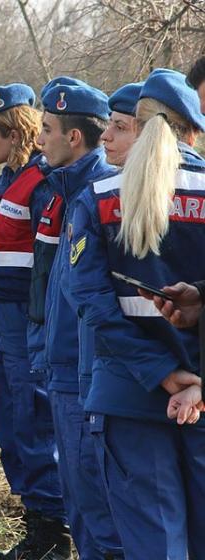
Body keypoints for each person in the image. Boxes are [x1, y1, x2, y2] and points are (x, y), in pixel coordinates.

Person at [67, 68, 205, 559]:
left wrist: (164, 374)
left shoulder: (99, 198)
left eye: (121, 126)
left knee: (153, 542)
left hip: (130, 394)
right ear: (192, 130)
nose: (108, 134)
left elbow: (90, 303)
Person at [0, 84, 69, 558]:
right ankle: (35, 521)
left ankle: (53, 533)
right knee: (9, 424)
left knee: (33, 422)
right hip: (1, 316)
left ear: (15, 133)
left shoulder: (41, 181)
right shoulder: (2, 183)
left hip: (29, 318)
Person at [36, 80, 124, 559]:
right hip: (62, 366)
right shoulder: (61, 190)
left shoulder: (101, 194)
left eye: (47, 129)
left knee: (98, 503)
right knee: (78, 503)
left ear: (74, 138)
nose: (39, 138)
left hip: (87, 372)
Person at [101, 82, 142, 167]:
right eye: (109, 124)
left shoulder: (175, 180)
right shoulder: (110, 180)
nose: (105, 136)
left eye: (120, 127)